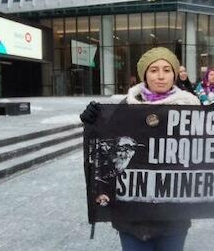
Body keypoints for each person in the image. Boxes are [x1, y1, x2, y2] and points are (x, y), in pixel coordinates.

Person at [80, 47, 200, 251]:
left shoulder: (191, 107)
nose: (160, 76)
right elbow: (105, 149)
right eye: (153, 70)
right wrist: (91, 122)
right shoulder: (125, 107)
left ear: (174, 74)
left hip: (173, 217)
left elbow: (207, 151)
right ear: (144, 75)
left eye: (166, 70)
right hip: (132, 219)